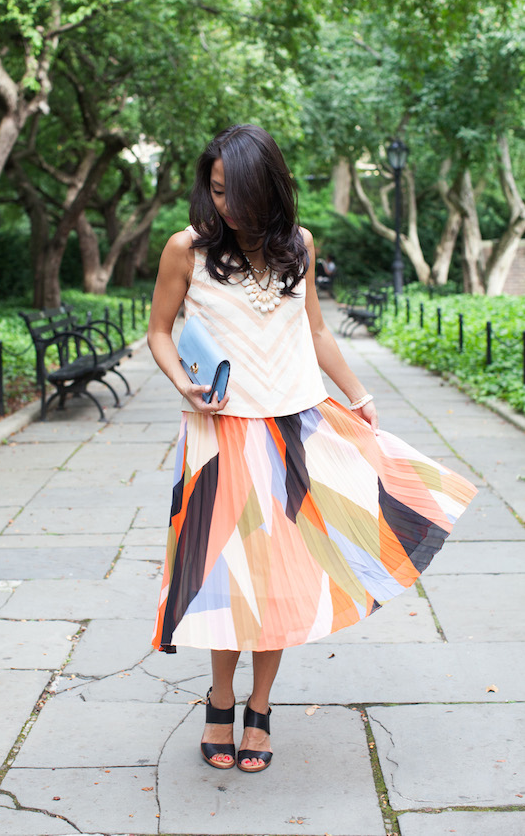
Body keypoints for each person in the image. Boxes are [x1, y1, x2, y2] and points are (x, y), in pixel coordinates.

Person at [147, 124, 476, 774]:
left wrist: (357, 394)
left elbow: (316, 329)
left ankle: (259, 709)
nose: (227, 208)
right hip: (220, 436)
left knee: (276, 580)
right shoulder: (185, 249)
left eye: (238, 195)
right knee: (225, 579)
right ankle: (219, 699)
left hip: (293, 430)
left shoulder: (298, 245)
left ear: (269, 189)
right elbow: (159, 331)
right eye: (216, 193)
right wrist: (184, 382)